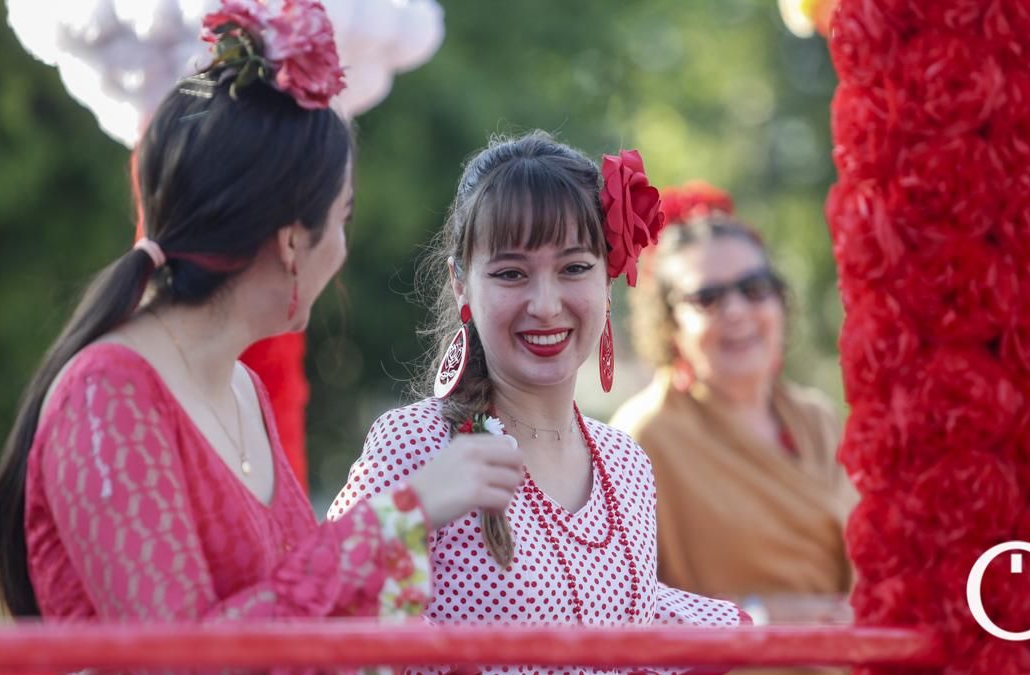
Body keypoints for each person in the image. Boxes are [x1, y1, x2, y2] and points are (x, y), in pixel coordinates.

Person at [0, 0, 522, 644]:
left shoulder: (240, 385)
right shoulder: (108, 392)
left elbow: (293, 607)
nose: (344, 250)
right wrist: (402, 517)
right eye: (342, 219)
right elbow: (181, 657)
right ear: (292, 240)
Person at [329, 132, 746, 674]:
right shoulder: (417, 444)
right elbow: (334, 613)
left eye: (574, 267)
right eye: (510, 274)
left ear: (608, 276)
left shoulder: (627, 464)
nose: (545, 305)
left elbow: (632, 625)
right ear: (462, 285)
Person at [609, 182, 855, 646]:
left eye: (754, 289)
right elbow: (617, 610)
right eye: (708, 298)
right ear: (670, 325)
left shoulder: (817, 419)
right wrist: (758, 616)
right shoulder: (643, 437)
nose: (737, 311)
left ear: (780, 302)